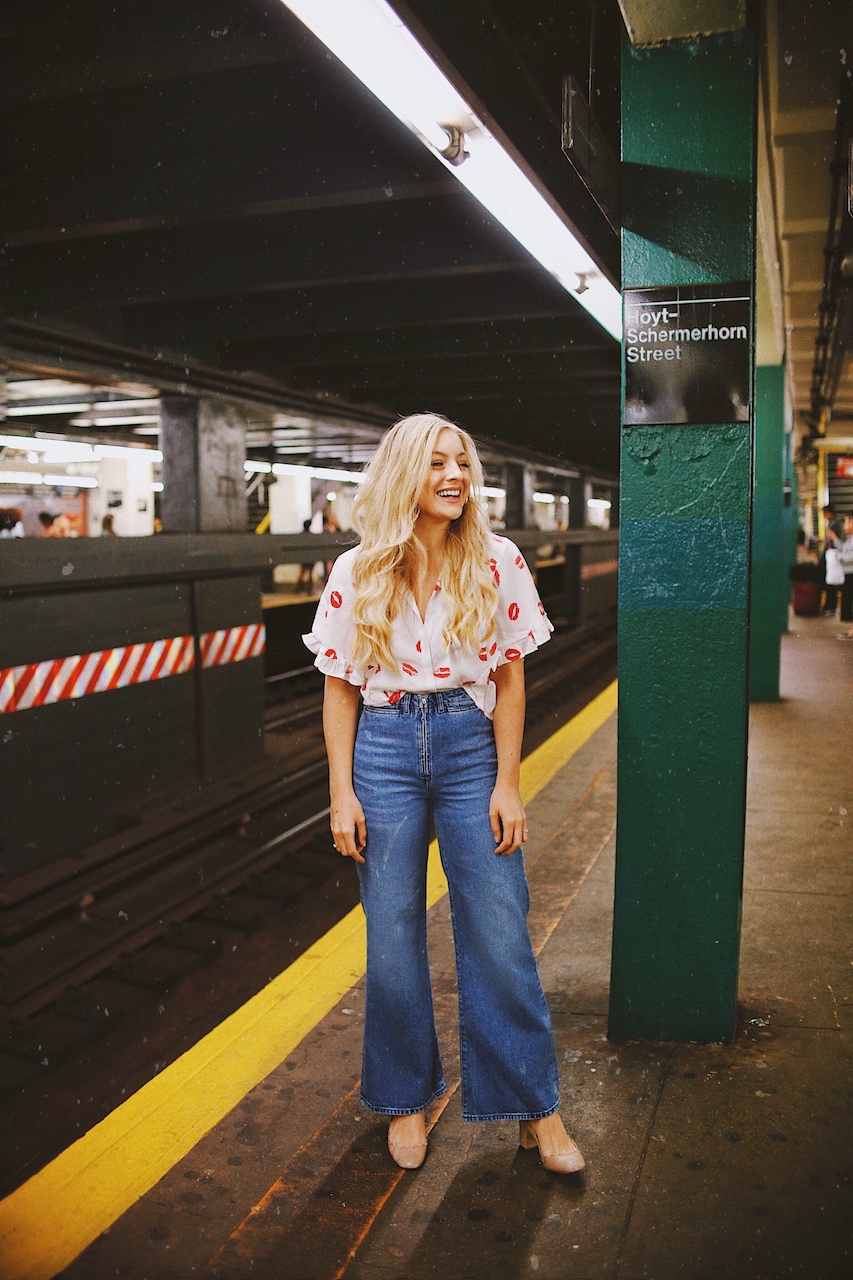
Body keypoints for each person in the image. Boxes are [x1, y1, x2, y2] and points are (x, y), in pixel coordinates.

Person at [303, 413, 585, 1175]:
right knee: (390, 935)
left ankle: (534, 1108)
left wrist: (508, 781)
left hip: (468, 742)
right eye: (436, 464)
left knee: (497, 925)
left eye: (461, 461)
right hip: (383, 749)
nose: (454, 475)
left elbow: (509, 678)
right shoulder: (356, 571)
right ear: (404, 475)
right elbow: (338, 690)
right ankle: (407, 1097)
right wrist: (341, 792)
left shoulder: (497, 560)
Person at [838, 514, 853, 638]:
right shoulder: (849, 538)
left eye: (847, 522)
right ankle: (851, 629)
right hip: (848, 573)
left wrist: (840, 557)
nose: (844, 526)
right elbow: (843, 549)